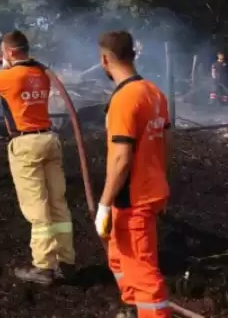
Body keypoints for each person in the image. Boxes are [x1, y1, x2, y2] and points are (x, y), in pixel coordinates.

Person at [0, 30, 75, 285]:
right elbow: (24, 85)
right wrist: (8, 64)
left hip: (26, 145)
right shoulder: (41, 74)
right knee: (58, 203)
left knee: (37, 209)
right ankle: (66, 260)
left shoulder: (9, 77)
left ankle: (43, 267)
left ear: (8, 52)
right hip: (50, 140)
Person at [95, 31, 171, 318]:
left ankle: (150, 312)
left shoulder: (124, 99)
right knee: (119, 258)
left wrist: (104, 203)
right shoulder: (155, 93)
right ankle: (132, 309)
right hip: (148, 190)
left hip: (134, 198)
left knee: (143, 271)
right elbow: (167, 143)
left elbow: (121, 157)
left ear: (105, 59)